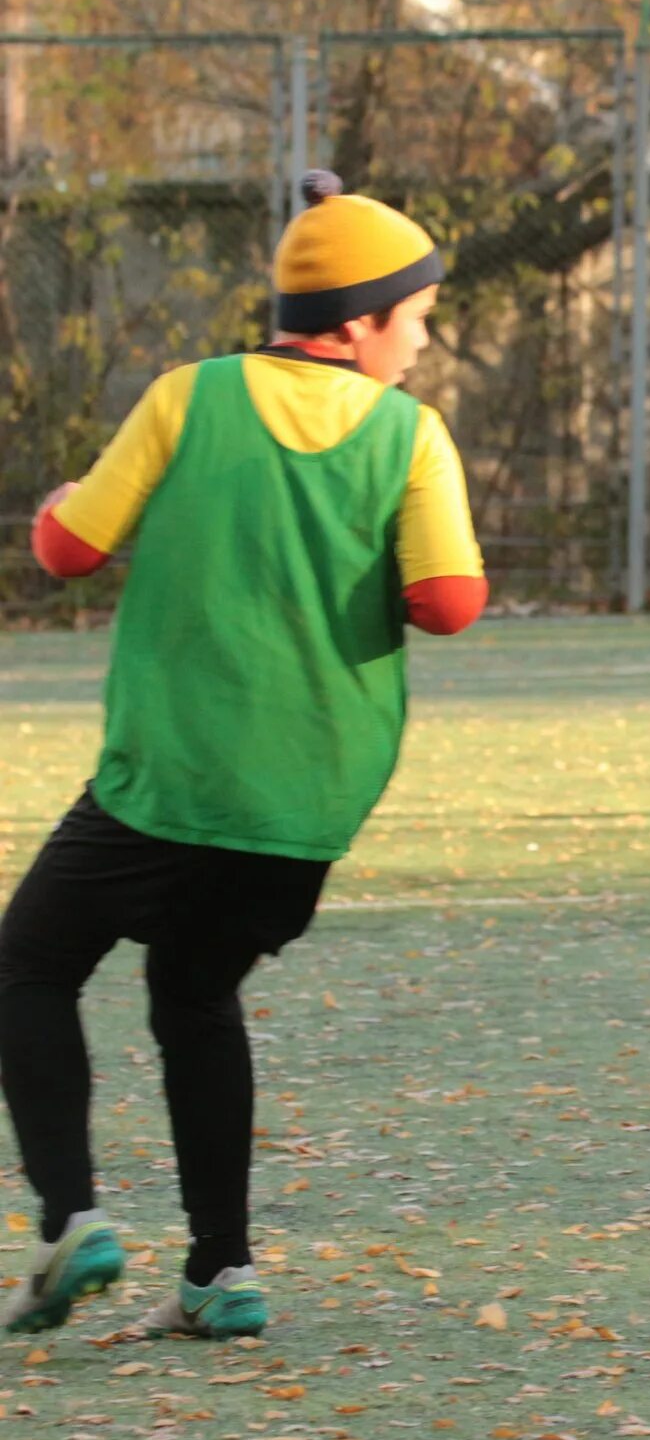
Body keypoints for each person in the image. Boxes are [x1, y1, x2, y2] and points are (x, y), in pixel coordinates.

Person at [1, 170, 486, 1340]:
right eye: (415, 316)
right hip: (305, 807)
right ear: (360, 322)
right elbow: (451, 601)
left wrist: (68, 498)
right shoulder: (411, 436)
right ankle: (222, 1275)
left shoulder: (185, 398)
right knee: (195, 993)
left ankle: (72, 1215)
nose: (422, 341)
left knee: (25, 968)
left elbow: (66, 549)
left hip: (166, 784)